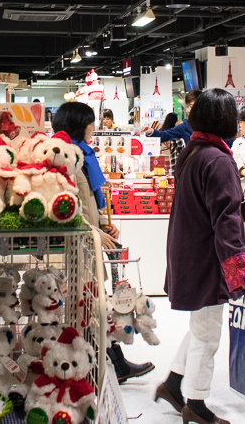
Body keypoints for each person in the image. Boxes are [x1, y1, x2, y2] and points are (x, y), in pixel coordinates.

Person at [156, 89, 245, 424]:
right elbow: (227, 219)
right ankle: (195, 405)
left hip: (190, 251)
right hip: (208, 257)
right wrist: (239, 270)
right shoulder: (217, 158)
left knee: (201, 325)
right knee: (208, 334)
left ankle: (173, 385)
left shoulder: (195, 149)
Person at [52, 102, 154, 383]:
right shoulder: (65, 158)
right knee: (90, 306)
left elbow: (89, 197)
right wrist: (96, 231)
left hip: (90, 241)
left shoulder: (83, 155)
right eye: (90, 122)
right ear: (77, 124)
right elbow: (69, 206)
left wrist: (103, 224)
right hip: (79, 246)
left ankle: (110, 362)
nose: (94, 128)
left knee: (94, 305)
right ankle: (105, 365)